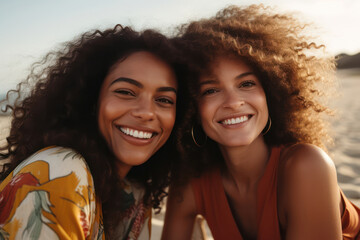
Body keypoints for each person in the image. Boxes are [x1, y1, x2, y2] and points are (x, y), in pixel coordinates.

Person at [162, 5, 360, 240]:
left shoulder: (307, 165)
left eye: (246, 84)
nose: (233, 102)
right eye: (211, 90)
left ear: (272, 93)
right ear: (191, 108)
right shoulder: (191, 183)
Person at [0, 24, 185, 239]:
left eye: (164, 100)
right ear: (92, 101)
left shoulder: (134, 195)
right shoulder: (62, 171)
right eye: (125, 92)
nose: (146, 113)